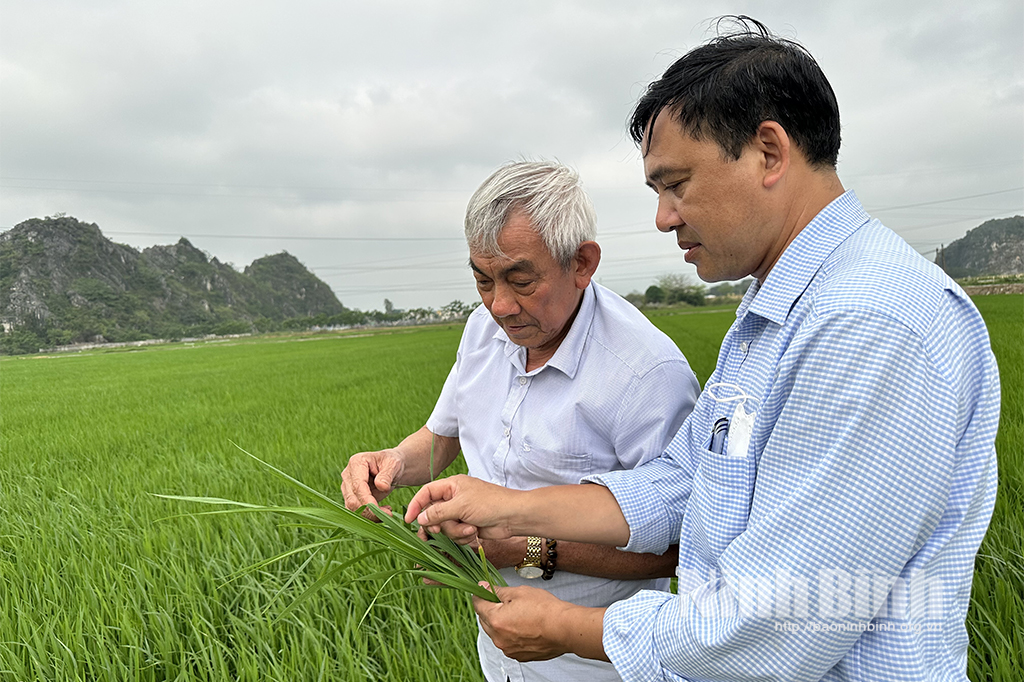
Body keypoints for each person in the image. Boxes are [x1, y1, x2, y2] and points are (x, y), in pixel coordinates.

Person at [406, 17, 1000, 682]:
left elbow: (782, 620)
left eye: (676, 183)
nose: (663, 217)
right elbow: (678, 486)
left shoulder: (869, 324)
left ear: (768, 153)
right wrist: (503, 503)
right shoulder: (771, 316)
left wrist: (566, 627)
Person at [341, 160, 701, 682]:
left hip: (592, 666)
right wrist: (391, 461)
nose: (501, 306)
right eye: (483, 280)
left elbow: (675, 549)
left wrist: (521, 549)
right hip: (499, 653)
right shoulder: (483, 331)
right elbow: (442, 437)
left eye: (521, 280)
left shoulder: (646, 374)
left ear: (582, 263)